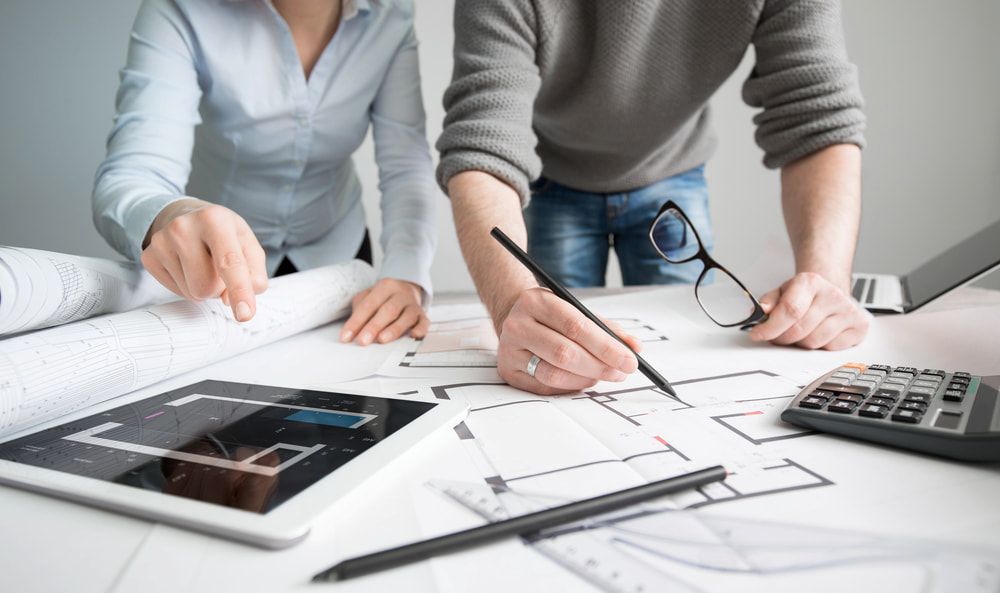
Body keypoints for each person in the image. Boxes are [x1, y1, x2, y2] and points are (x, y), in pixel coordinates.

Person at [436, 1, 872, 395]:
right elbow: (483, 142)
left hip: (672, 171)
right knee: (551, 349)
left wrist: (827, 284)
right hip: (551, 181)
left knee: (684, 346)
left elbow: (818, 115)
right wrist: (510, 303)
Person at [93, 0, 437, 346]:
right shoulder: (180, 9)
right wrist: (171, 214)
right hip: (216, 268)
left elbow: (405, 165)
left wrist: (407, 274)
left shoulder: (391, 15)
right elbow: (132, 175)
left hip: (340, 259)